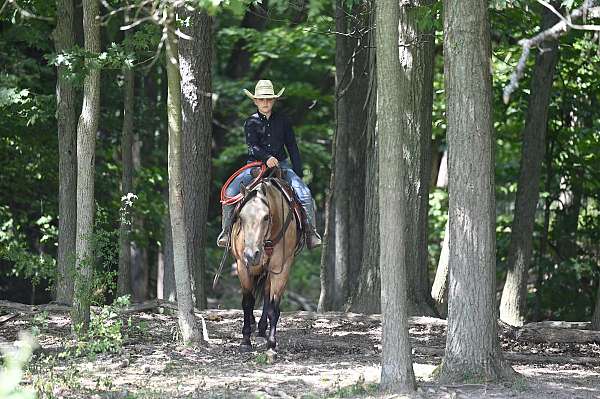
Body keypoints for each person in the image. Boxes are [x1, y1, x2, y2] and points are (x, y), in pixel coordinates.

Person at [217, 80, 322, 250]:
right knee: (229, 193)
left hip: (281, 166)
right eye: (261, 99)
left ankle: (311, 233)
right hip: (254, 166)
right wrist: (266, 158)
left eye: (268, 99)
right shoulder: (250, 122)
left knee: (305, 194)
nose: (265, 103)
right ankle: (226, 232)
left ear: (274, 101)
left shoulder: (284, 121)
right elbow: (252, 146)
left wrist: (298, 172)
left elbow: (292, 146)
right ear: (255, 101)